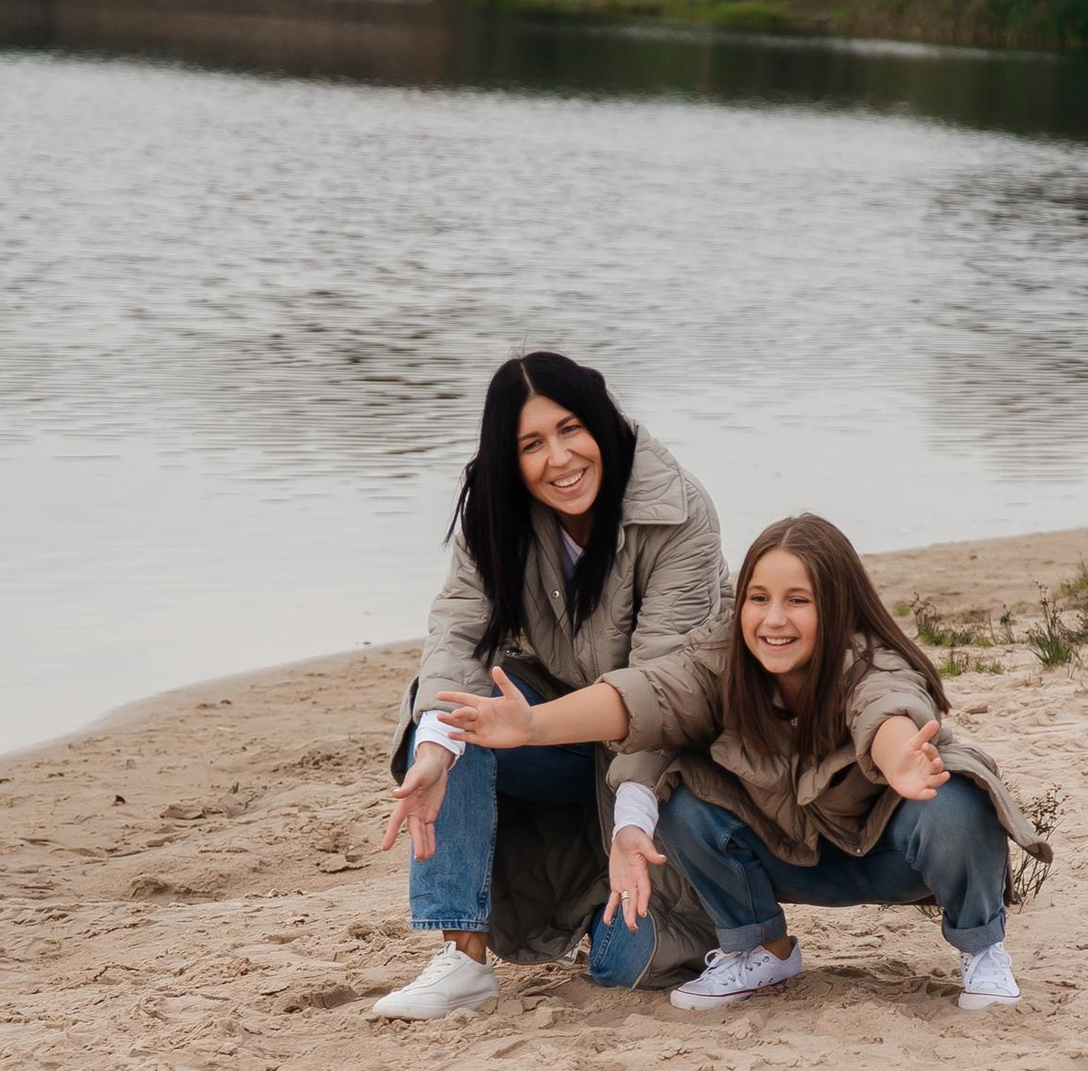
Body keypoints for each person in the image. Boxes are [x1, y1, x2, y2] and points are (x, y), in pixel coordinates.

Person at [431, 511, 1049, 1014]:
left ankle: (982, 949)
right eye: (758, 598)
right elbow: (646, 696)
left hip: (894, 855)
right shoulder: (722, 661)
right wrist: (536, 724)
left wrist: (898, 762)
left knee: (957, 803)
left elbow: (886, 711)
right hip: (790, 860)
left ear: (834, 605)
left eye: (797, 600)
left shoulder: (871, 659)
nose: (773, 619)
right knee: (684, 797)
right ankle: (764, 951)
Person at [373, 351, 725, 1021]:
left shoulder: (679, 513)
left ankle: (596, 894)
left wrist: (628, 829)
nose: (559, 459)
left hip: (667, 753)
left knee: (632, 969)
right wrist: (432, 752)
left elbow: (664, 694)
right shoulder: (496, 510)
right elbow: (458, 632)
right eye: (532, 444)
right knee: (453, 711)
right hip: (559, 735)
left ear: (601, 421)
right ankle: (463, 960)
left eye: (571, 430)